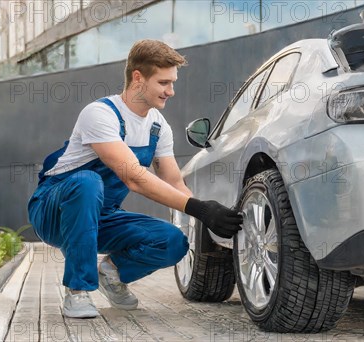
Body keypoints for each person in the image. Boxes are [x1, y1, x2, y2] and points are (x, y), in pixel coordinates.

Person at [28, 39, 242, 318]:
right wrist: (200, 209)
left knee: (172, 241)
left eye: (173, 83)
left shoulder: (158, 127)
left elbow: (174, 184)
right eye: (164, 83)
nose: (171, 91)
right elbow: (134, 178)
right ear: (138, 78)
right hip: (53, 210)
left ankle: (112, 272)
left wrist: (208, 215)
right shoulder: (100, 114)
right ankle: (77, 291)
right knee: (88, 182)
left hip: (103, 216)